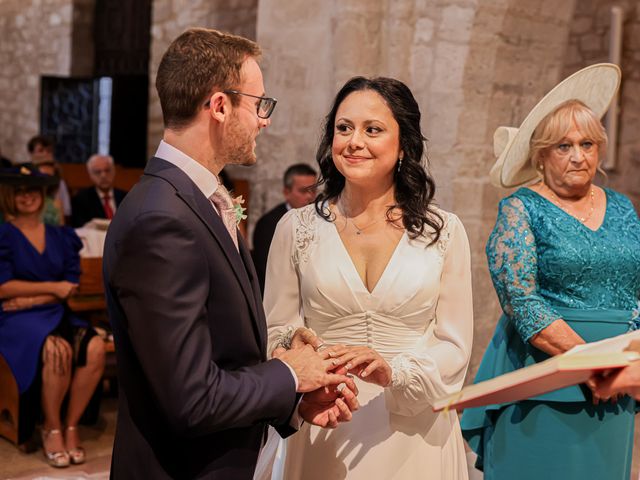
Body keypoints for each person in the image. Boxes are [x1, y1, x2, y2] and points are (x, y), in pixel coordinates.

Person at [103, 28, 358, 480]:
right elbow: (190, 399)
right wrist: (287, 374)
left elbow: (223, 356)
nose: (265, 120)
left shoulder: (198, 199)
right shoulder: (160, 219)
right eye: (259, 104)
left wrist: (293, 402)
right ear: (220, 106)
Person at [265, 76, 474, 479]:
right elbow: (275, 326)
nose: (354, 141)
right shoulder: (296, 228)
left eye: (372, 129)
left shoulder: (444, 231)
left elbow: (454, 344)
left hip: (414, 426)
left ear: (403, 145)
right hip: (326, 418)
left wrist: (395, 371)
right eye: (344, 128)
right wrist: (296, 345)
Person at [460, 64, 640, 480]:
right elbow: (521, 300)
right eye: (563, 146)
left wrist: (626, 364)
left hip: (615, 390)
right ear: (540, 155)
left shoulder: (624, 208)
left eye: (588, 144)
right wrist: (591, 365)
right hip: (544, 380)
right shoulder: (520, 209)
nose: (579, 156)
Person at [0, 166, 105, 467]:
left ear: (44, 194)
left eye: (33, 189)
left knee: (95, 347)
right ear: (10, 196)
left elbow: (69, 286)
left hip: (56, 313)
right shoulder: (4, 235)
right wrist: (52, 288)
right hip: (14, 321)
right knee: (58, 350)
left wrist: (33, 297)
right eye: (20, 190)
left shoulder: (62, 235)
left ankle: (72, 426)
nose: (27, 195)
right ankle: (52, 427)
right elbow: (4, 286)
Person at [252, 163, 317, 293]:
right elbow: (268, 269)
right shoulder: (268, 224)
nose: (310, 196)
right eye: (303, 191)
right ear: (286, 192)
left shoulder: (320, 218)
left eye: (313, 190)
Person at [71, 154, 127, 227]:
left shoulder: (126, 197)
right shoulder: (81, 199)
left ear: (114, 171)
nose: (103, 176)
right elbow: (80, 227)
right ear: (90, 175)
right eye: (98, 172)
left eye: (107, 170)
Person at [27, 135, 72, 222]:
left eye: (48, 151)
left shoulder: (59, 180)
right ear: (31, 153)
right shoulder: (23, 177)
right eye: (41, 150)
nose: (45, 154)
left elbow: (66, 211)